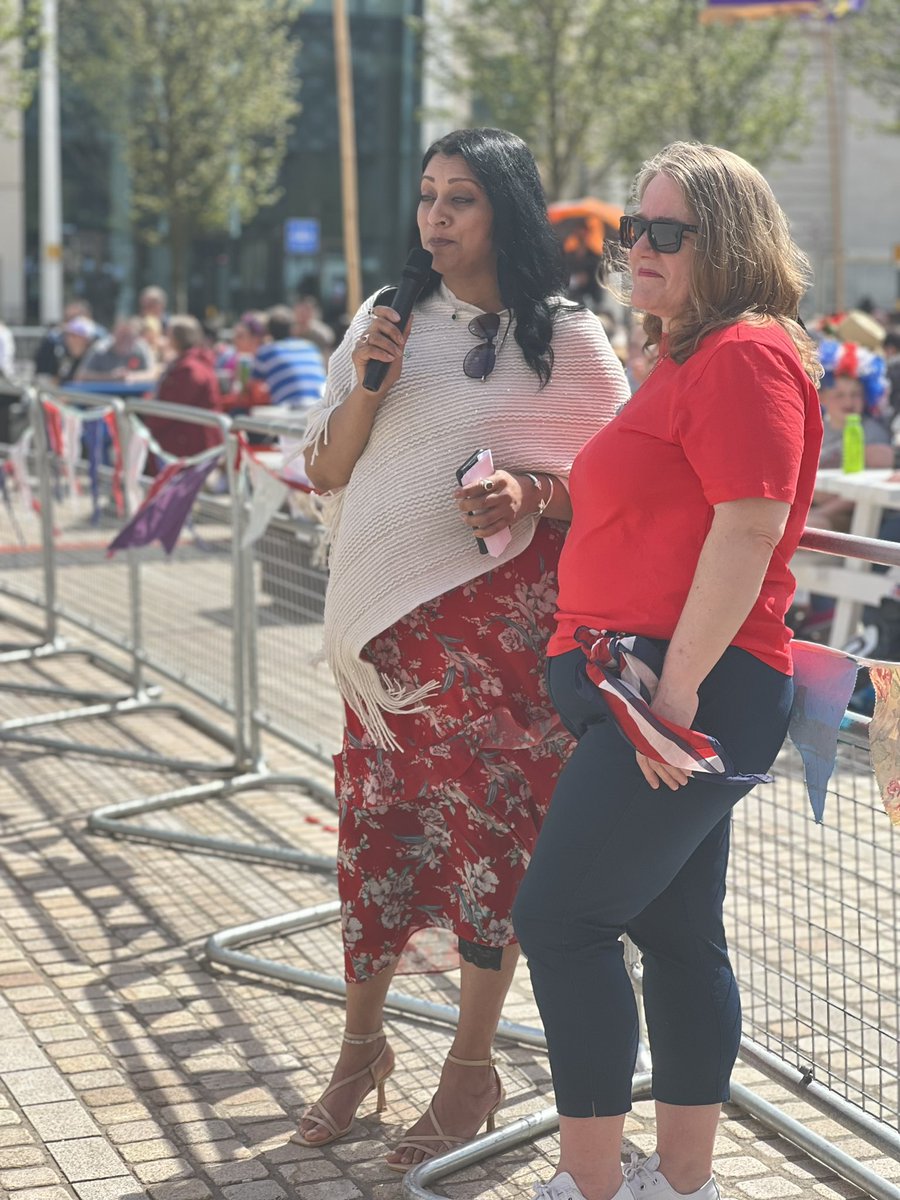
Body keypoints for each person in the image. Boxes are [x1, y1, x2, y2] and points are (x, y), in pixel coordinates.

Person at [297, 127, 630, 1170]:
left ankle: (470, 1069)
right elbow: (327, 468)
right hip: (391, 648)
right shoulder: (385, 321)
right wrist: (371, 383)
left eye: (461, 200)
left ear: (508, 213)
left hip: (505, 642)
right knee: (376, 841)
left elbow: (620, 491)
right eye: (428, 196)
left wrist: (533, 491)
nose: (435, 218)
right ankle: (360, 1052)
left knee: (492, 851)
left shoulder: (571, 341)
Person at [511, 142, 823, 1200]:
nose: (635, 247)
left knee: (561, 920)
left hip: (683, 687)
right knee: (676, 932)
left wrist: (675, 697)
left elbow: (749, 527)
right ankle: (678, 1185)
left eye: (664, 232)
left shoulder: (742, 353)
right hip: (652, 680)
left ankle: (595, 1185)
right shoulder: (687, 355)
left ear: (725, 245)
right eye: (629, 229)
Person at [145, 315, 223, 463]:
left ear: (175, 338)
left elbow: (171, 407)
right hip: (189, 440)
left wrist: (147, 420)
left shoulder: (189, 369)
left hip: (187, 445)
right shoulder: (194, 362)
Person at [251, 305, 326, 411]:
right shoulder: (311, 347)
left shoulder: (266, 352)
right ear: (292, 329)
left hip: (291, 411)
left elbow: (253, 389)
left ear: (268, 332)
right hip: (321, 407)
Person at [74, 317, 157, 385]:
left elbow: (153, 374)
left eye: (129, 336)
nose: (125, 339)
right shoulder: (101, 349)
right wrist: (110, 377)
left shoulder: (141, 348)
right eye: (122, 335)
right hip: (103, 397)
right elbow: (81, 375)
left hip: (135, 398)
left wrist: (132, 376)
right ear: (114, 334)